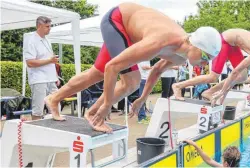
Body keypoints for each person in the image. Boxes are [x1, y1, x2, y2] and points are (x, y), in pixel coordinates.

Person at [45, 3, 222, 133]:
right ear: (194, 45)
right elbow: (112, 67)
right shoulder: (160, 41)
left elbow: (156, 70)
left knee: (96, 73)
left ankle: (54, 99)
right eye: (206, 57)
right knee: (131, 81)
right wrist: (107, 104)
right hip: (117, 21)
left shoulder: (179, 55)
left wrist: (142, 98)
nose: (206, 64)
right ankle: (94, 113)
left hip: (129, 31)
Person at [24, 16, 60, 120]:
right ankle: (35, 133)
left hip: (50, 78)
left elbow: (51, 59)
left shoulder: (47, 40)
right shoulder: (31, 40)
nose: (49, 28)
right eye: (47, 26)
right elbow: (30, 62)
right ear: (39, 26)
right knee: (38, 109)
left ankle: (53, 130)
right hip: (38, 79)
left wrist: (56, 76)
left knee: (56, 105)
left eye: (50, 26)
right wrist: (50, 61)